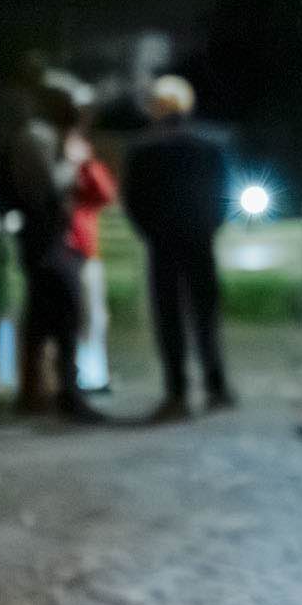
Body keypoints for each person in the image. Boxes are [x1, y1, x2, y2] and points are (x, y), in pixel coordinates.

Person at [122, 75, 234, 421]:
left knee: (169, 317)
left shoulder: (142, 151)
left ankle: (177, 391)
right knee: (205, 316)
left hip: (163, 243)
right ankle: (216, 386)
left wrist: (150, 232)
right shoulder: (210, 146)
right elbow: (223, 194)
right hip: (199, 240)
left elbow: (133, 200)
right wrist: (210, 227)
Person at [0, 76, 103, 424]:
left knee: (43, 317)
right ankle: (67, 395)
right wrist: (72, 162)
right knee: (64, 315)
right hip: (48, 242)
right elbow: (43, 190)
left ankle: (37, 391)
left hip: (50, 241)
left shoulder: (43, 135)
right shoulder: (36, 136)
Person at [68, 100, 119, 397]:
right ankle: (77, 376)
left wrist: (86, 165)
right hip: (67, 247)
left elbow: (106, 193)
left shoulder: (85, 162)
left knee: (94, 315)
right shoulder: (53, 150)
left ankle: (93, 374)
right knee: (77, 315)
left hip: (86, 247)